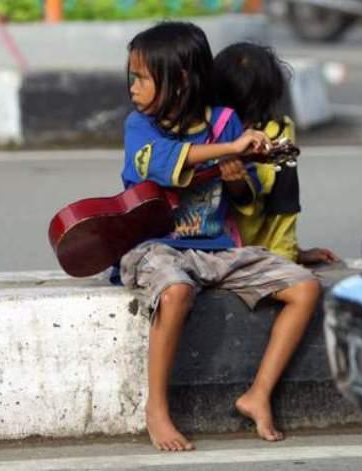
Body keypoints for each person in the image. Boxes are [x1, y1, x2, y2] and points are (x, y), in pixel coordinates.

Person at [120, 21, 322, 452]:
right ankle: (157, 408)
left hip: (217, 247)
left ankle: (258, 394)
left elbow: (247, 196)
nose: (132, 87)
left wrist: (235, 180)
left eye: (141, 77)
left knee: (305, 288)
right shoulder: (140, 126)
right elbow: (158, 164)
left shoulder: (226, 122)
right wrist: (229, 150)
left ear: (180, 81)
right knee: (175, 291)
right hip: (158, 246)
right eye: (131, 76)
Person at [212, 42, 339, 266]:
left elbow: (284, 205)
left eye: (247, 116)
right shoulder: (200, 129)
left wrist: (287, 257)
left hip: (255, 253)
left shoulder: (277, 134)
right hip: (202, 250)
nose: (240, 127)